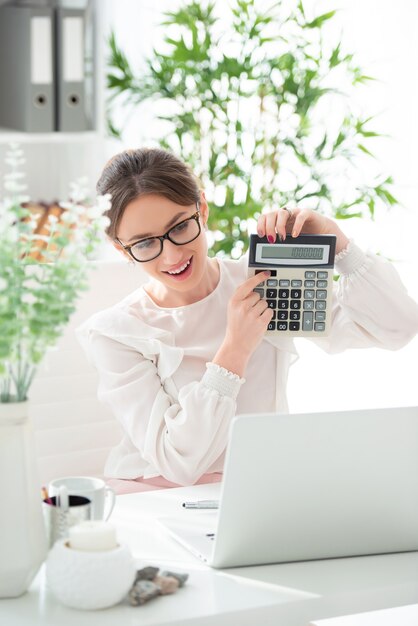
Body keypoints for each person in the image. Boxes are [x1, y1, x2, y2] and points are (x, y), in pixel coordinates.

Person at [77, 147, 418, 490]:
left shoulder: (262, 281)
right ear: (122, 249)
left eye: (180, 227)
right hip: (156, 494)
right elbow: (179, 462)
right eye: (145, 243)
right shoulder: (116, 333)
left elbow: (398, 328)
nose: (172, 254)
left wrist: (338, 244)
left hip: (259, 485)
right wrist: (235, 350)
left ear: (202, 210)